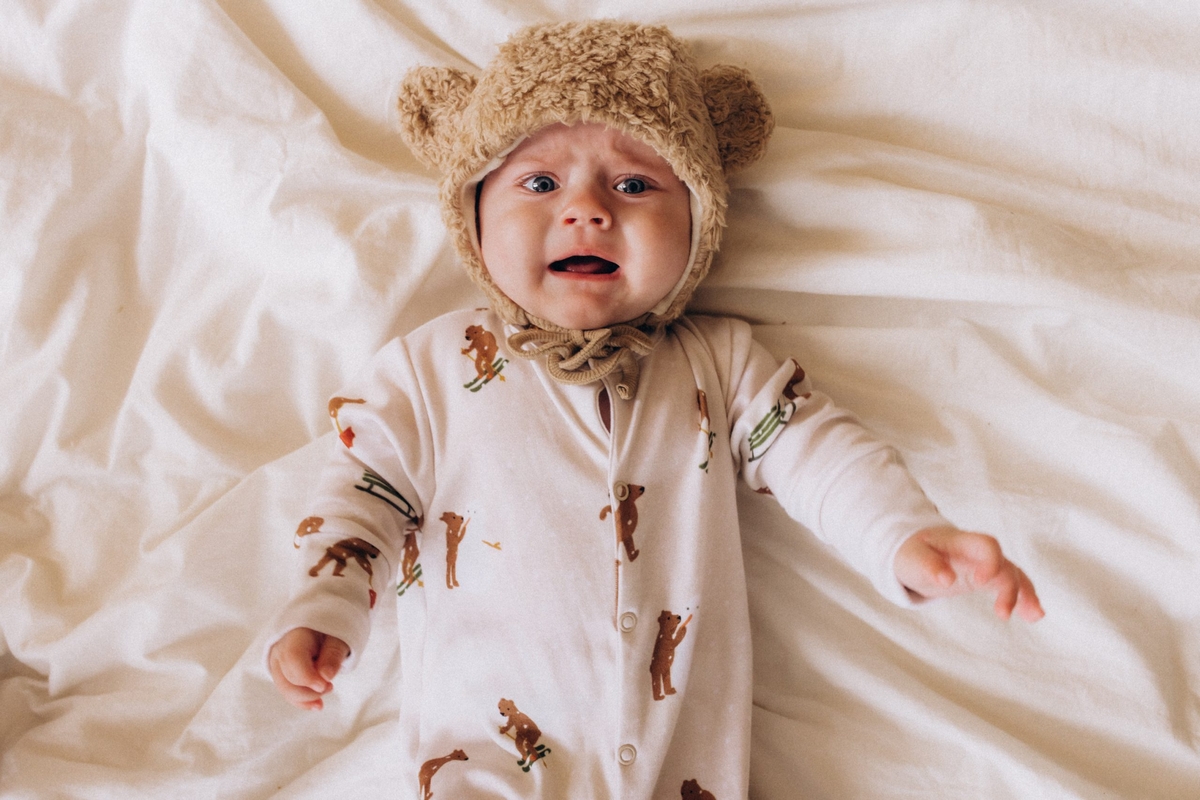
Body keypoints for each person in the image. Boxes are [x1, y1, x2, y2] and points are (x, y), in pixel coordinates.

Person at [266, 20, 1043, 798]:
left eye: (635, 185)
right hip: (488, 769)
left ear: (699, 221)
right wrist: (324, 607)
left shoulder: (721, 365)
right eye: (540, 184)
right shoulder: (428, 370)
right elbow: (359, 498)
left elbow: (820, 454)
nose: (587, 210)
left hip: (683, 771)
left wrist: (903, 534)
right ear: (471, 212)